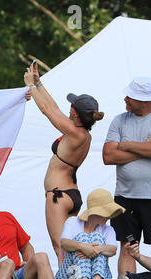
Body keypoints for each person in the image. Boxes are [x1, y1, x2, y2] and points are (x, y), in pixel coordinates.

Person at [24, 61, 104, 259]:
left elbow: (47, 111)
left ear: (75, 112)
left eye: (72, 106)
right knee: (70, 247)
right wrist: (39, 83)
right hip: (71, 194)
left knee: (60, 246)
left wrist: (29, 86)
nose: (68, 108)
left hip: (58, 196)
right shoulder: (82, 133)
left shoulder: (74, 133)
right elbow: (55, 108)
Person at [102, 76, 151, 278]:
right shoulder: (119, 120)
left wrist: (126, 144)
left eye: (131, 96)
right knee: (128, 244)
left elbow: (118, 150)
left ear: (145, 101)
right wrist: (145, 149)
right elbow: (108, 156)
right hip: (125, 196)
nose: (125, 99)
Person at [55, 188, 124, 279]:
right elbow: (64, 243)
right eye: (106, 213)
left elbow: (113, 250)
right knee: (82, 238)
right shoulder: (72, 222)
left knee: (98, 239)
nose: (108, 217)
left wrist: (97, 249)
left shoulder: (108, 229)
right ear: (96, 212)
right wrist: (83, 247)